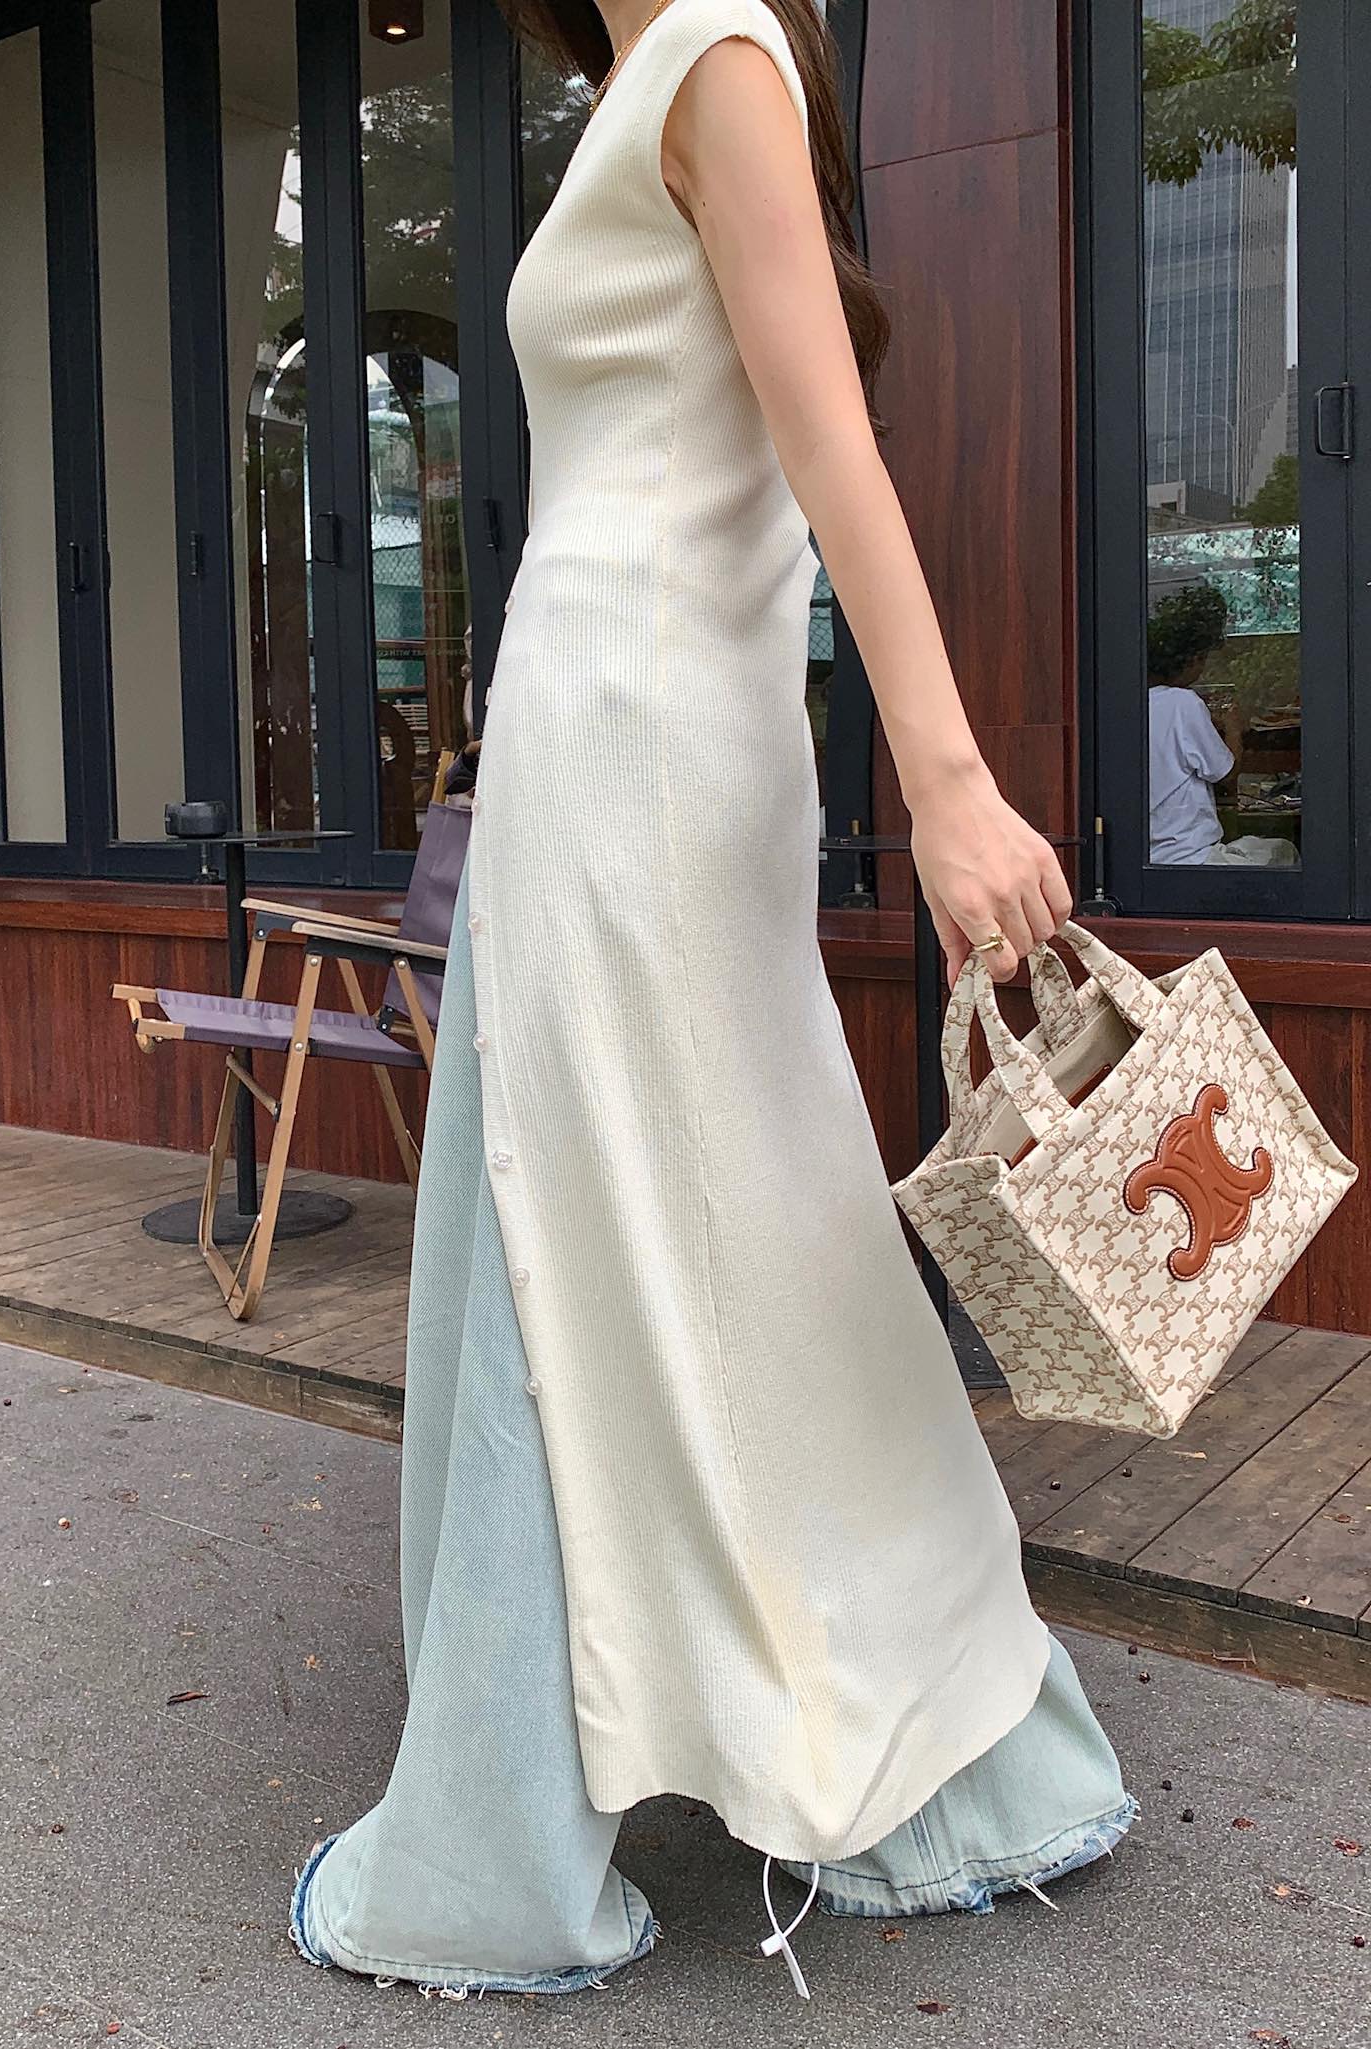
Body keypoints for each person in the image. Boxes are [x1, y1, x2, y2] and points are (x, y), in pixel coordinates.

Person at [290, 0, 1135, 2001]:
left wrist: (945, 779)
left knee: (623, 1231)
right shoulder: (656, 82)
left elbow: (828, 437)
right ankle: (853, 1743)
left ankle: (539, 1819)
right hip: (615, 726)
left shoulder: (717, 58)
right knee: (689, 1235)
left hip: (643, 740)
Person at [1146, 586, 1299, 869]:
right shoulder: (1182, 703)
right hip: (1191, 857)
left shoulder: (1132, 706)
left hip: (1151, 857)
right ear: (1191, 658)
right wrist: (1232, 727)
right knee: (1284, 851)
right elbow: (1226, 774)